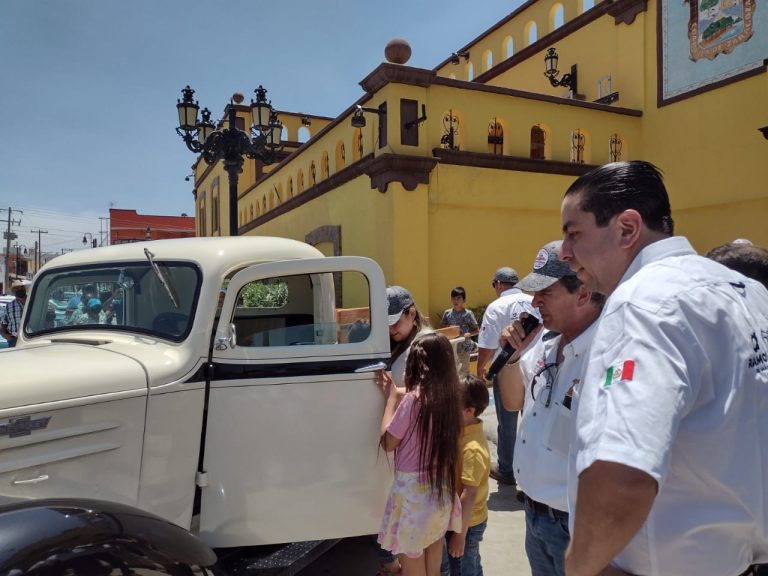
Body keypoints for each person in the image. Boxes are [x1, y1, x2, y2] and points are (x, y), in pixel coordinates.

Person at [559, 161, 768, 576]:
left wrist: (580, 568)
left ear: (627, 229)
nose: (564, 252)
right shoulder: (749, 292)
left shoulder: (642, 303)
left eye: (574, 233)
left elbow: (621, 473)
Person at [496, 240, 604, 576]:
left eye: (546, 292)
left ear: (583, 292)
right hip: (535, 516)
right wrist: (512, 358)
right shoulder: (545, 346)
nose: (535, 302)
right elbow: (513, 402)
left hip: (575, 527)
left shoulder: (607, 354)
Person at [377, 332, 463, 576]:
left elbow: (388, 443)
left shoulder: (412, 401)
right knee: (433, 569)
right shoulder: (451, 398)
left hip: (412, 500)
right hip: (440, 495)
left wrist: (391, 400)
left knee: (413, 569)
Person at [476, 267, 537, 485]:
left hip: (507, 369)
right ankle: (532, 469)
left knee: (507, 422)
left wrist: (481, 371)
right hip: (535, 369)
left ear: (499, 284)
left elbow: (487, 346)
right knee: (532, 419)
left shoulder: (496, 306)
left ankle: (506, 469)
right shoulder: (534, 301)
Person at [441, 375, 491, 576]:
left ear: (469, 411)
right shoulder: (462, 431)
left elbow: (469, 495)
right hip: (461, 520)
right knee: (471, 563)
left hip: (466, 524)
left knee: (462, 568)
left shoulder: (473, 449)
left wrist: (459, 536)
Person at [388, 285, 431, 388]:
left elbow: (432, 391)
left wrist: (393, 392)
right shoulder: (395, 341)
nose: (390, 328)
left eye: (395, 322)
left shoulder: (428, 343)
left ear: (412, 314)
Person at [440, 287, 479, 375]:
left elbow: (477, 330)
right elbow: (443, 329)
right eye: (453, 298)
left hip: (464, 347)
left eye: (458, 298)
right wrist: (449, 329)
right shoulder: (447, 313)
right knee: (452, 372)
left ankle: (465, 389)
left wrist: (468, 334)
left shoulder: (468, 314)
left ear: (464, 300)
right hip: (451, 348)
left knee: (464, 372)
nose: (455, 301)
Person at [0, 281, 27, 347]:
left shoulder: (33, 302)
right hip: (14, 340)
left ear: (24, 289)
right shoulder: (9, 306)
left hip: (32, 338)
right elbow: (3, 323)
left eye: (21, 287)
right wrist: (5, 335)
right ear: (13, 291)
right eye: (16, 289)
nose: (19, 290)